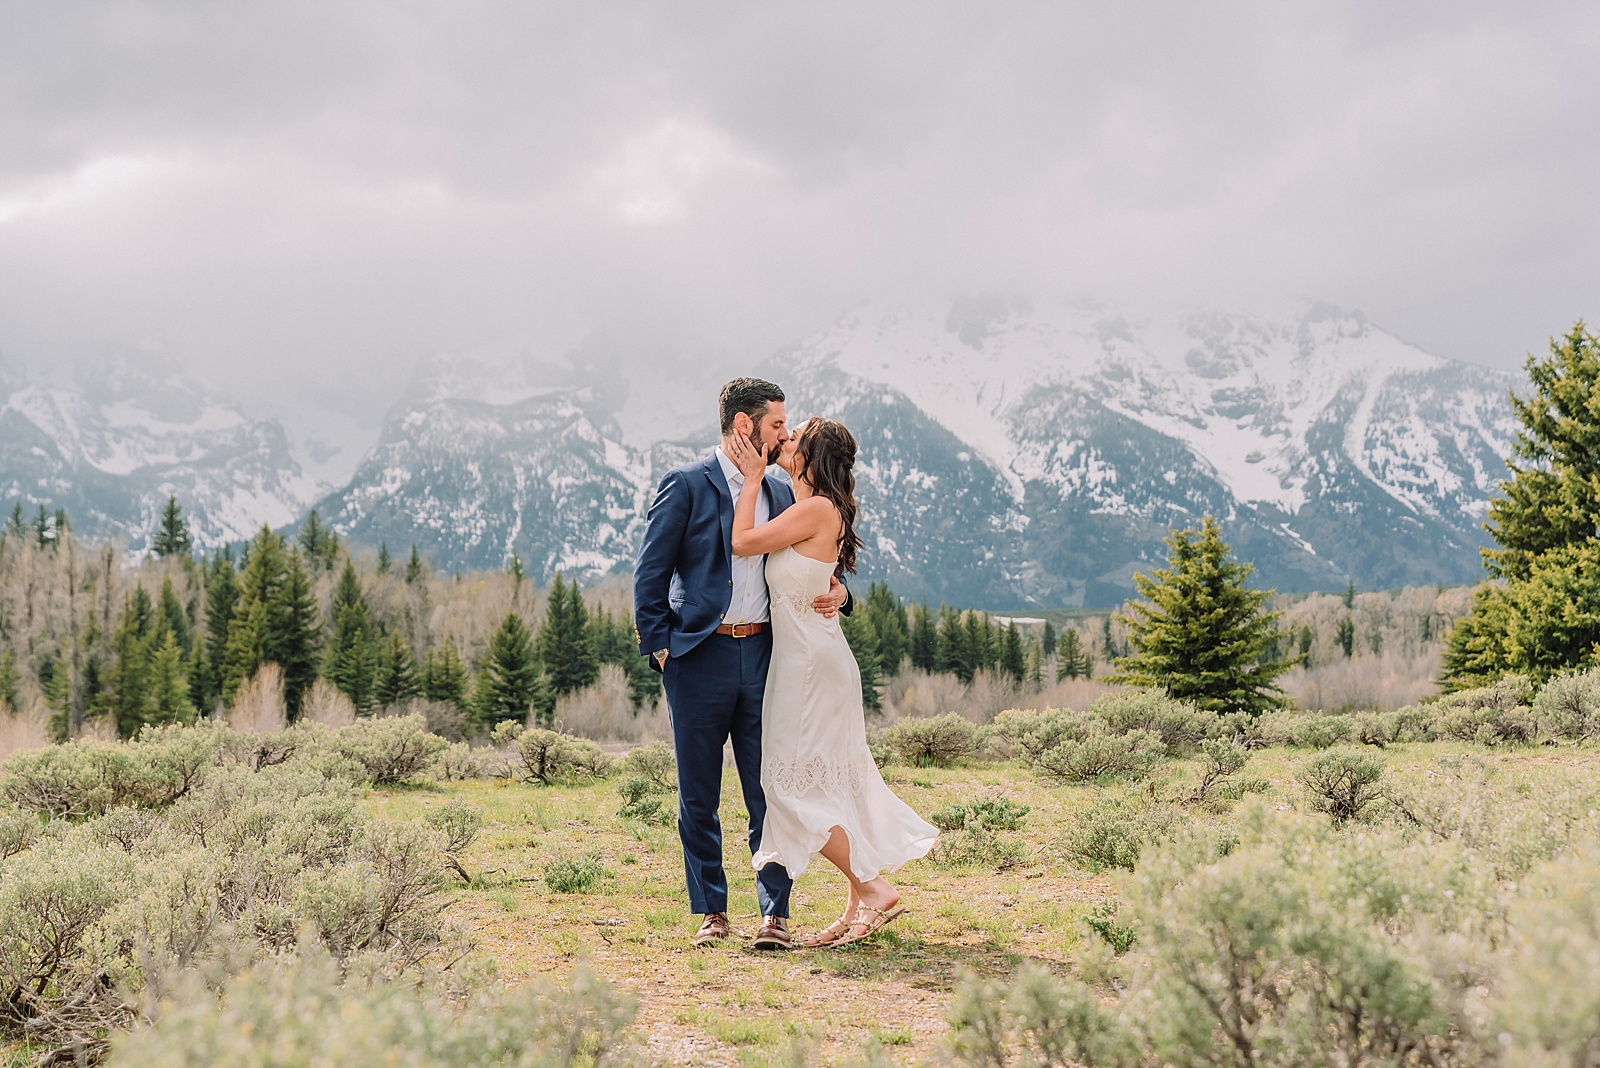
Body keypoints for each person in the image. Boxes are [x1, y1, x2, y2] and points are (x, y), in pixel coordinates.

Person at [633, 378, 852, 950]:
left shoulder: (782, 494)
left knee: (769, 788)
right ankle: (712, 911)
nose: (785, 433)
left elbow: (821, 559)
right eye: (777, 424)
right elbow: (649, 574)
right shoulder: (685, 485)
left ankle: (774, 915)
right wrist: (662, 650)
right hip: (697, 658)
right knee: (697, 793)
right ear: (743, 426)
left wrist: (842, 593)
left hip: (766, 657)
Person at [726, 416, 938, 947]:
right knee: (832, 783)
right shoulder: (812, 507)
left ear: (811, 455)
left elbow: (744, 543)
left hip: (811, 668)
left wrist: (751, 479)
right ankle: (856, 900)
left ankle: (872, 887)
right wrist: (839, 590)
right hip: (809, 659)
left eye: (793, 437)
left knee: (786, 786)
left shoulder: (817, 508)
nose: (784, 441)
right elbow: (817, 574)